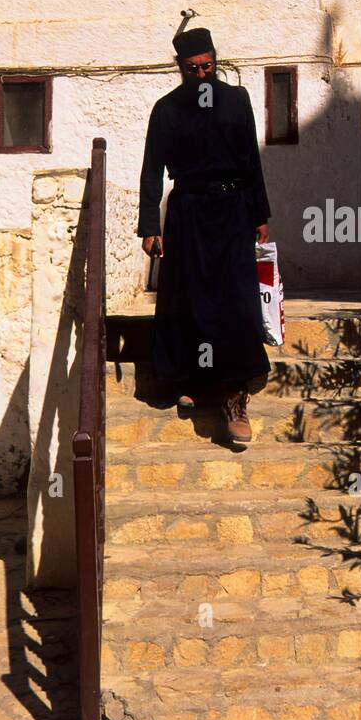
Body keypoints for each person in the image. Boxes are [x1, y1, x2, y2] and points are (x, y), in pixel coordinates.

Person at [137, 27, 271, 446]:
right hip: (188, 212)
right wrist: (149, 226)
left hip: (233, 212)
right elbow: (152, 169)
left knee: (235, 299)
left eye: (208, 66)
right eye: (194, 68)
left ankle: (235, 396)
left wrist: (260, 213)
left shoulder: (237, 101)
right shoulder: (166, 110)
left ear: (216, 61)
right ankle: (186, 377)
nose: (202, 74)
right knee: (188, 297)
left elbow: (252, 158)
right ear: (180, 68)